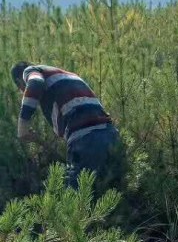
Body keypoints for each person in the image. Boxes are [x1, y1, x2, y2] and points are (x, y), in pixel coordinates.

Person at [11, 61, 121, 190]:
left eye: (21, 89)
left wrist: (22, 126)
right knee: (109, 197)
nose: (23, 92)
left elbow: (35, 83)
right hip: (110, 134)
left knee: (75, 202)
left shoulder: (30, 71)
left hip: (86, 139)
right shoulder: (64, 76)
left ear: (20, 82)